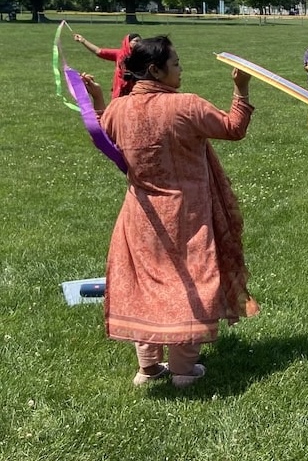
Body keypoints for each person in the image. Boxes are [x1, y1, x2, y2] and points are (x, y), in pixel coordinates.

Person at [88, 35, 259, 387]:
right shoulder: (186, 106)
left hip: (140, 217)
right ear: (155, 69)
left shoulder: (119, 109)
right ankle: (183, 370)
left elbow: (105, 135)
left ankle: (148, 367)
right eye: (176, 63)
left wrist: (99, 102)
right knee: (192, 282)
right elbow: (233, 128)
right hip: (188, 216)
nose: (181, 69)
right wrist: (241, 89)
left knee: (145, 285)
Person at [73, 32, 141, 98]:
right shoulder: (119, 54)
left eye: (140, 41)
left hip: (136, 89)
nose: (139, 43)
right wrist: (83, 41)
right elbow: (98, 51)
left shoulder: (143, 55)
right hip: (120, 89)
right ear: (128, 42)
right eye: (136, 41)